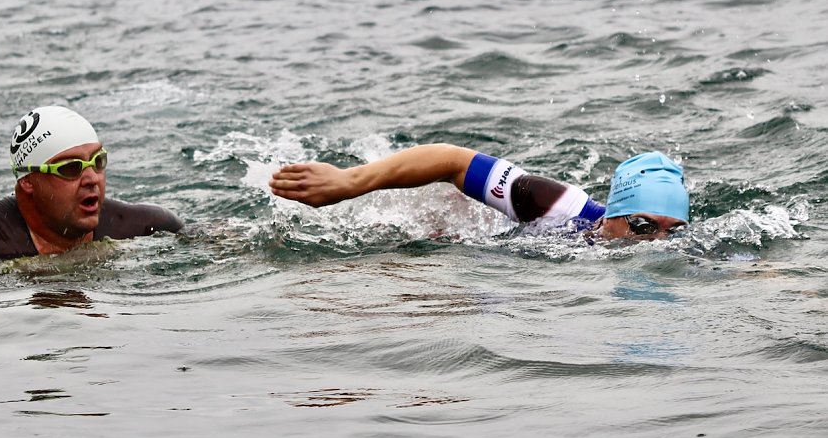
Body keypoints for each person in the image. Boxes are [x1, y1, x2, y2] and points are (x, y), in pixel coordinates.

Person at [269, 144, 689, 240]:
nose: (658, 242)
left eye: (673, 230)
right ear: (614, 213)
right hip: (461, 218)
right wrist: (350, 182)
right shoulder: (557, 205)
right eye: (643, 226)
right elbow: (453, 161)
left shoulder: (689, 250)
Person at [0, 106, 182, 259]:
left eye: (98, 161)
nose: (92, 179)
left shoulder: (147, 227)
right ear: (28, 181)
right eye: (70, 168)